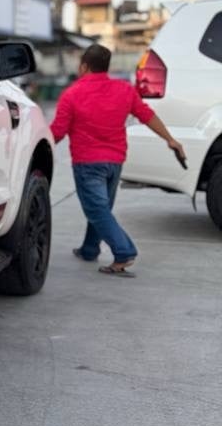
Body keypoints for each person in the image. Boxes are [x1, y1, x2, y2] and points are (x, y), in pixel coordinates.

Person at [50, 43, 185, 275]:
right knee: (101, 208)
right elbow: (146, 115)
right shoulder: (124, 90)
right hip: (114, 162)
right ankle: (89, 249)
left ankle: (124, 252)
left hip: (88, 163)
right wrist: (170, 139)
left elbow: (57, 132)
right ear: (106, 66)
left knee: (97, 210)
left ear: (84, 66)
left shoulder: (71, 94)